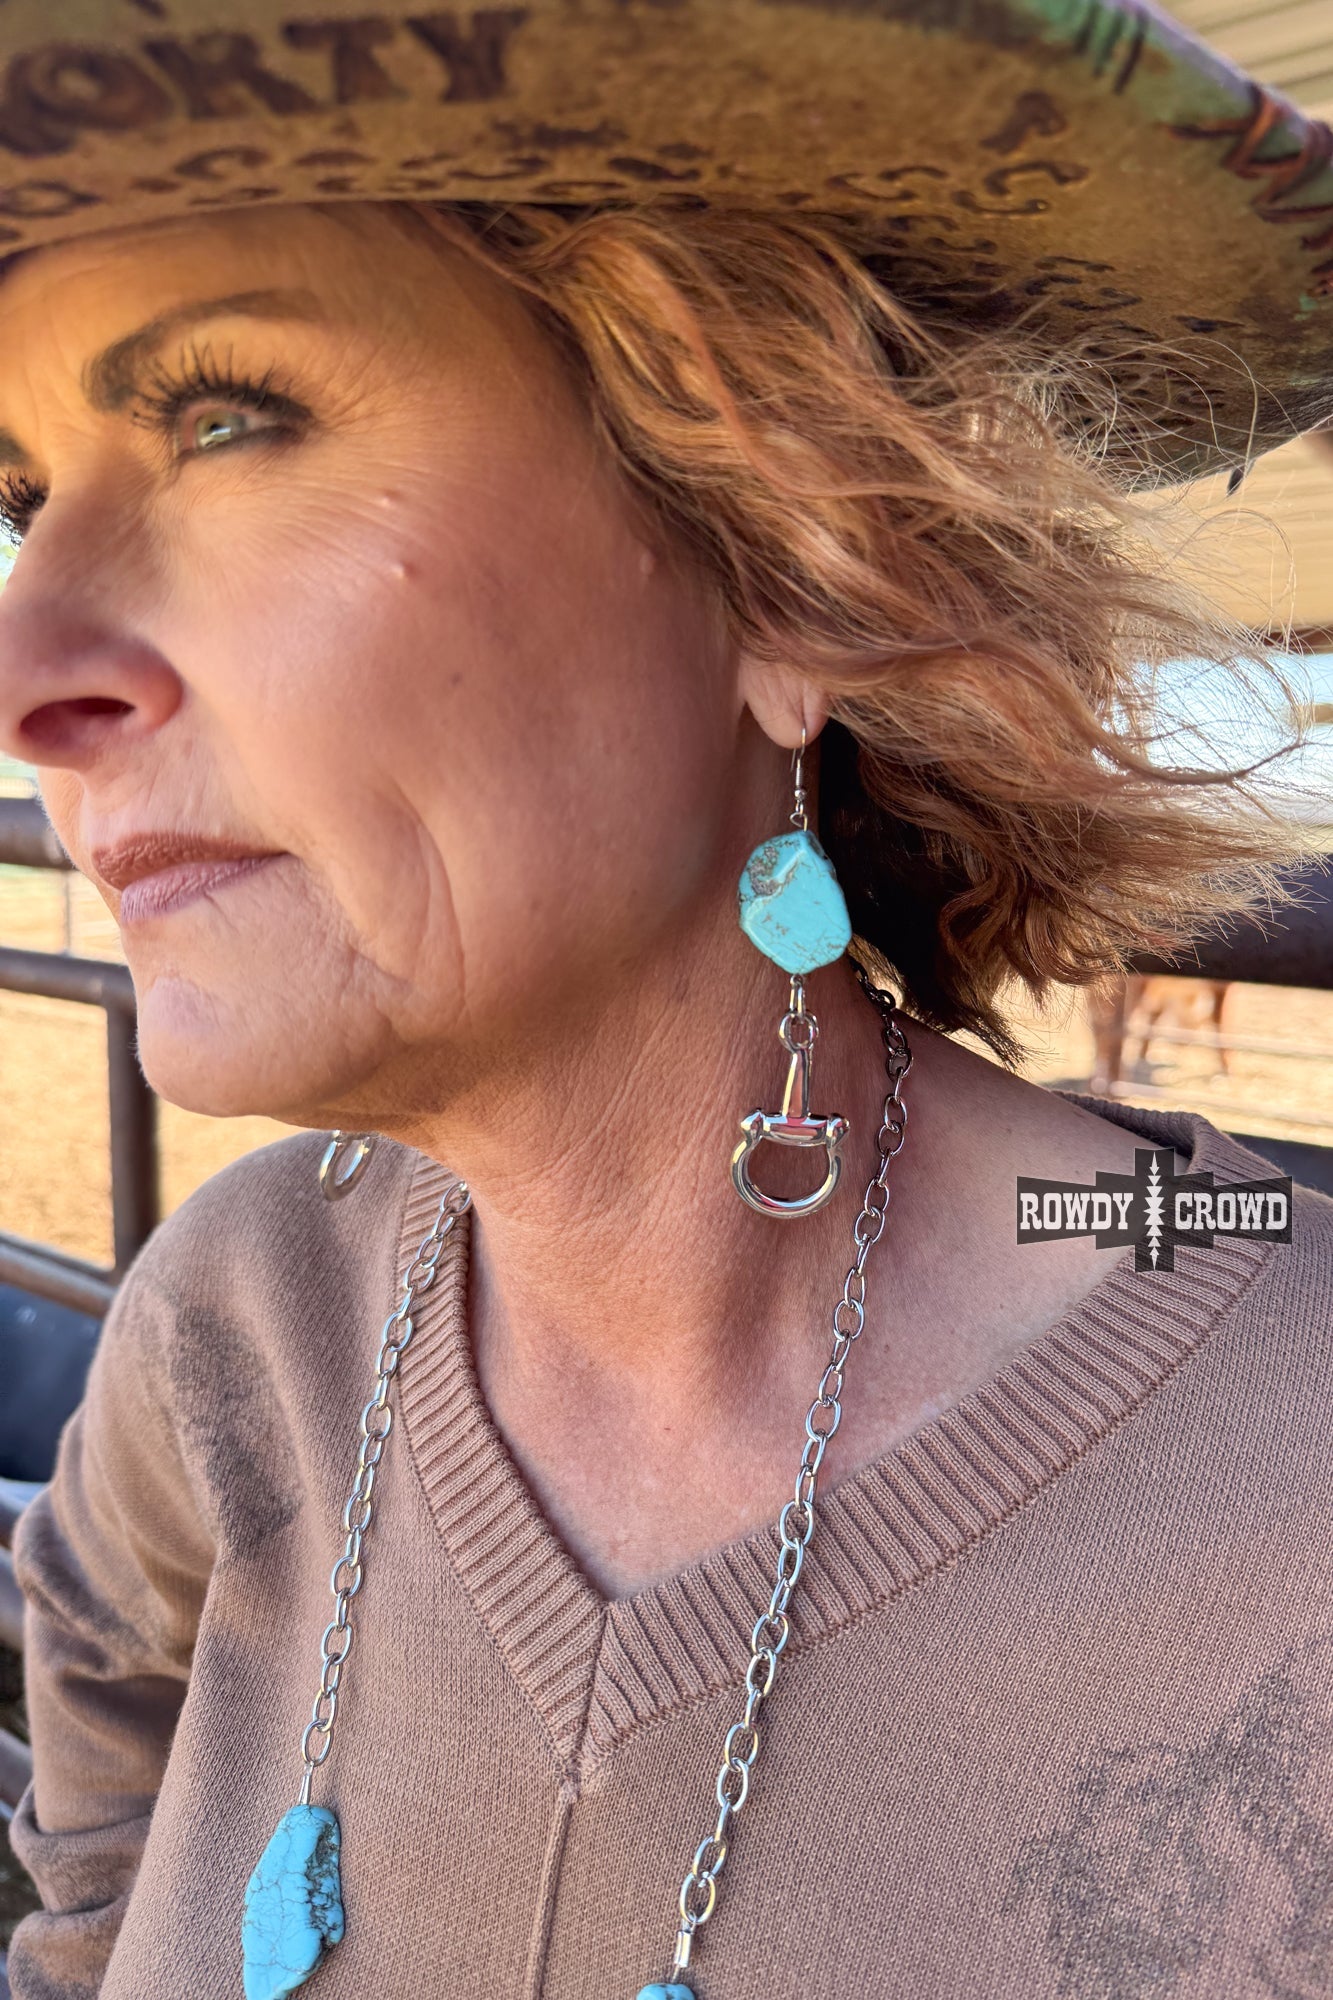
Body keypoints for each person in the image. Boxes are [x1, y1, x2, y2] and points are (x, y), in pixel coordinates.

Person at [0, 5, 1331, 1997]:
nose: (27, 669)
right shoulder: (232, 1333)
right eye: (23, 493)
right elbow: (91, 1875)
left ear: (797, 561)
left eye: (226, 417)